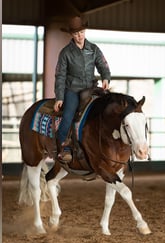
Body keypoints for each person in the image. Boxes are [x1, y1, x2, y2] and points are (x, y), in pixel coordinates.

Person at [54, 15, 111, 162]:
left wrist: (105, 77)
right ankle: (63, 147)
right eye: (75, 34)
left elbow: (103, 65)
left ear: (85, 31)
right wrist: (60, 97)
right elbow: (60, 76)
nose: (79, 36)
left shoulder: (93, 49)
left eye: (81, 32)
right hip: (72, 90)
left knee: (107, 109)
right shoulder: (65, 53)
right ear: (71, 34)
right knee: (68, 116)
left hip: (91, 88)